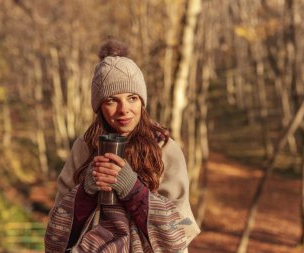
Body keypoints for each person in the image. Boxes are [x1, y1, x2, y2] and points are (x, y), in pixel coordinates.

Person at [44, 39, 200, 253]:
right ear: (99, 107)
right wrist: (86, 193)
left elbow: (181, 231)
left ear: (142, 102)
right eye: (111, 100)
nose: (123, 109)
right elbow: (56, 236)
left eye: (132, 98)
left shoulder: (165, 149)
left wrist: (134, 190)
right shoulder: (84, 147)